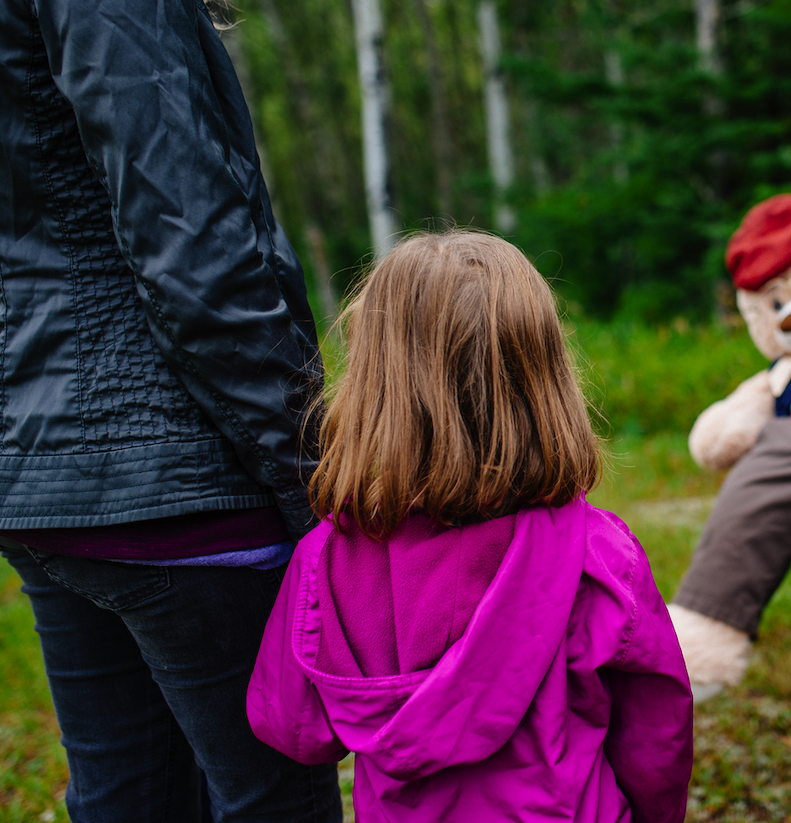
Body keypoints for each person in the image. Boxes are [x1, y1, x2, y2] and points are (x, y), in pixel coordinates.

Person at [0, 0, 341, 819]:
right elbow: (187, 230)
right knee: (272, 799)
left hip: (32, 470)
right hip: (166, 467)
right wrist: (312, 475)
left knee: (127, 795)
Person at [247, 232, 694, 823]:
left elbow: (295, 728)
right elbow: (655, 734)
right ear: (544, 378)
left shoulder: (328, 556)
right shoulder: (597, 552)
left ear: (372, 389)